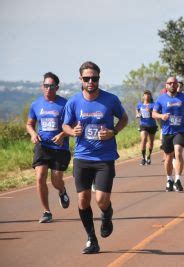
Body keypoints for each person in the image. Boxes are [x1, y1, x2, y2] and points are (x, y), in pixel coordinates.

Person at [62, 61, 128, 254]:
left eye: (95, 78)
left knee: (101, 200)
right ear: (80, 79)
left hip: (104, 158)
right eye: (87, 78)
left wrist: (113, 132)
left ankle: (106, 214)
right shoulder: (73, 102)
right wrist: (72, 131)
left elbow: (124, 118)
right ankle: (91, 239)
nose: (91, 81)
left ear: (99, 78)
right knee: (83, 200)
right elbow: (65, 125)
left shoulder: (110, 100)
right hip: (82, 157)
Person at [26, 72, 71, 223]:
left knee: (56, 180)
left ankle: (62, 191)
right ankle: (46, 211)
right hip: (42, 146)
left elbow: (73, 126)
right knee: (40, 177)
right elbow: (30, 124)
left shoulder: (65, 104)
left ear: (57, 87)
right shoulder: (36, 104)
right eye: (46, 85)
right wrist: (33, 134)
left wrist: (62, 135)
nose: (48, 88)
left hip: (60, 147)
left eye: (52, 86)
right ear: (42, 87)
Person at [152, 76, 184, 192]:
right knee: (168, 157)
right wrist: (161, 116)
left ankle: (178, 180)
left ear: (177, 85)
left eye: (174, 83)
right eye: (170, 83)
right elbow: (154, 113)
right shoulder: (161, 99)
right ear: (166, 85)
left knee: (178, 153)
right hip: (167, 131)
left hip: (179, 131)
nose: (172, 85)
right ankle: (169, 179)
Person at [136, 90, 157, 165]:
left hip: (152, 125)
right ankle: (143, 158)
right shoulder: (139, 105)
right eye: (145, 94)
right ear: (143, 96)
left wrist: (151, 111)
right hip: (143, 125)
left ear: (150, 96)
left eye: (148, 94)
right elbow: (137, 112)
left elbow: (156, 115)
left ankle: (149, 156)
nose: (147, 96)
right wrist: (138, 115)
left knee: (151, 142)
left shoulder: (153, 105)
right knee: (144, 140)